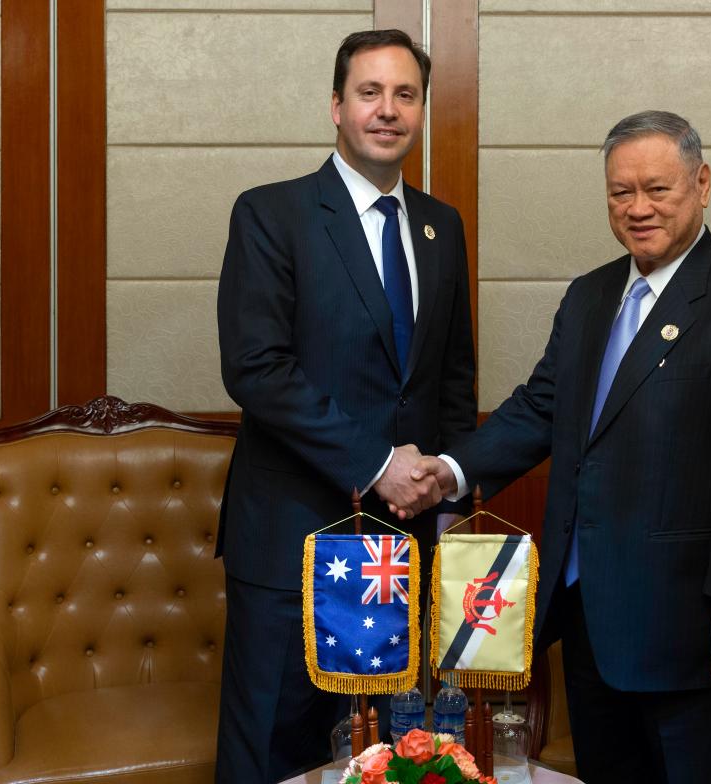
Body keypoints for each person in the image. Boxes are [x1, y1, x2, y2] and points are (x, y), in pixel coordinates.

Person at [409, 111, 711, 783]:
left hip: (693, 632)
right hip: (590, 617)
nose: (639, 208)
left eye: (658, 188)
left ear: (703, 183)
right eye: (621, 192)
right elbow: (541, 408)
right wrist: (447, 471)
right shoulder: (590, 296)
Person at [214, 29, 476, 783]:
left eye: (405, 95)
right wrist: (374, 463)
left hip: (401, 542)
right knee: (271, 744)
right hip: (292, 537)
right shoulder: (272, 215)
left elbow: (451, 377)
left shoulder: (441, 226)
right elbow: (256, 370)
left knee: (375, 750)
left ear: (421, 110)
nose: (387, 110)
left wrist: (451, 495)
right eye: (370, 93)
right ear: (337, 106)